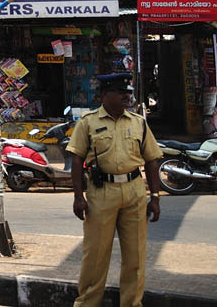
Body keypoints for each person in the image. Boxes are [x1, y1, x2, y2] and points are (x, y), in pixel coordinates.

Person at [66, 72, 163, 307]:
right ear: (104, 96)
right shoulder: (88, 122)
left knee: (136, 256)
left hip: (134, 191)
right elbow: (76, 160)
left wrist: (156, 197)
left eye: (127, 93)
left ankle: (132, 303)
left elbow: (151, 160)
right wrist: (78, 197)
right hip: (102, 193)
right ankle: (88, 302)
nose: (126, 97)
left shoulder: (138, 123)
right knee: (96, 255)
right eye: (120, 93)